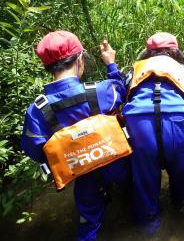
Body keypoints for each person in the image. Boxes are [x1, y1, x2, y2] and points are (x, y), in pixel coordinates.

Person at [20, 31, 131, 241]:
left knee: (88, 224)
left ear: (47, 67)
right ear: (80, 59)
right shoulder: (101, 90)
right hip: (117, 162)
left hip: (81, 172)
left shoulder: (36, 110)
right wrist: (111, 64)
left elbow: (35, 150)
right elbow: (124, 91)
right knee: (134, 197)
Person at [114, 32, 184, 235]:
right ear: (175, 51)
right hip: (178, 119)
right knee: (179, 171)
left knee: (145, 178)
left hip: (139, 121)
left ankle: (149, 228)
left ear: (148, 52)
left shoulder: (135, 69)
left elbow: (119, 94)